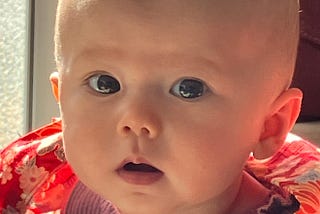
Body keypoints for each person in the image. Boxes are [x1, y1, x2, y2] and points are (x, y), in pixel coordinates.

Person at [1, 0, 320, 213]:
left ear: (269, 125)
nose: (136, 119)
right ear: (61, 98)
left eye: (188, 88)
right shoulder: (33, 184)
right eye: (105, 83)